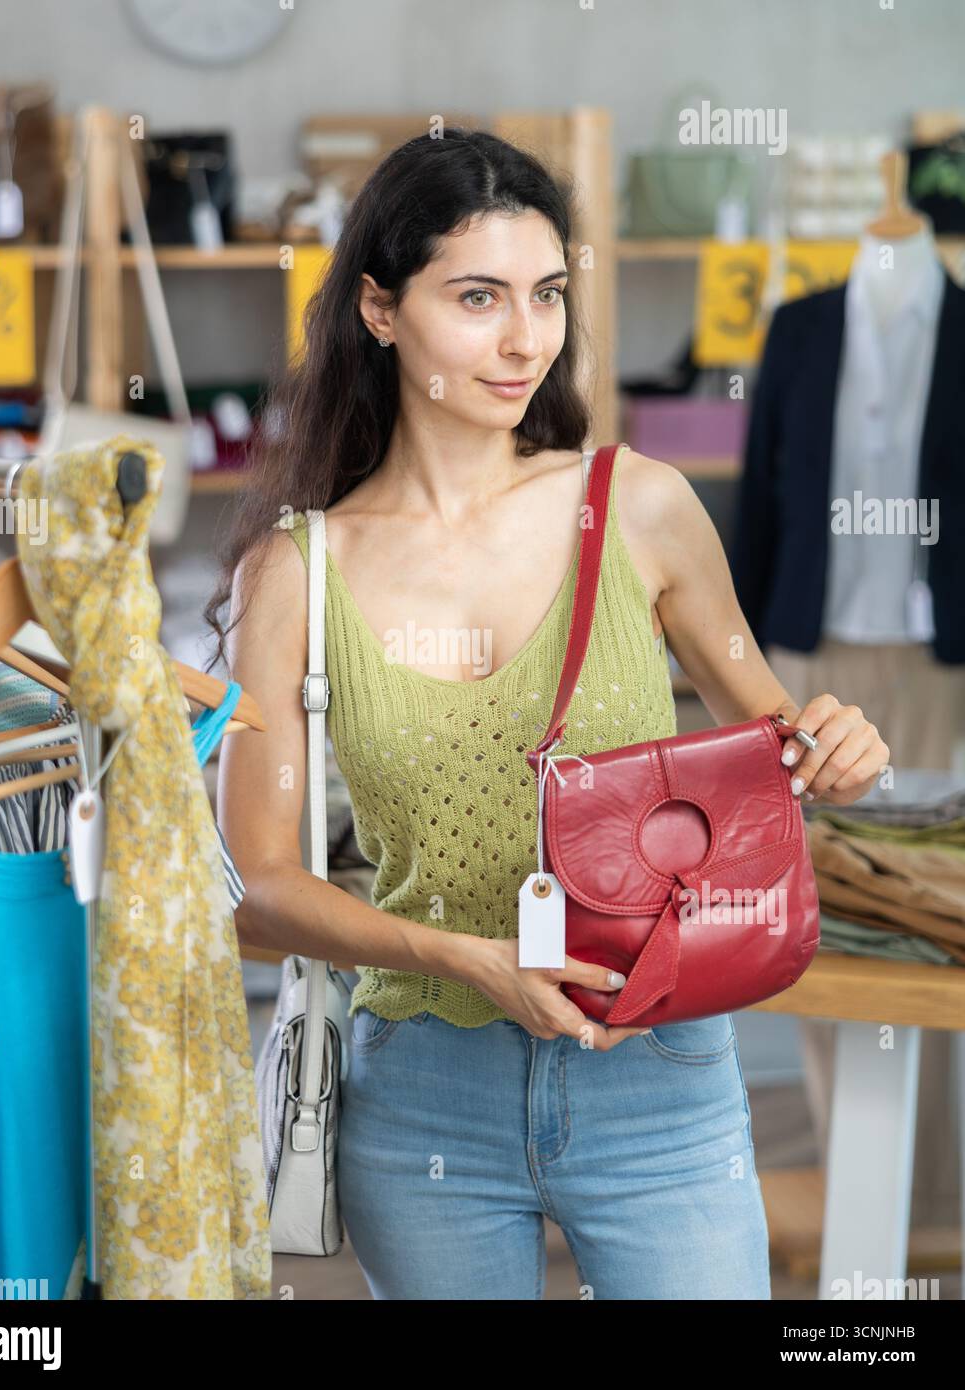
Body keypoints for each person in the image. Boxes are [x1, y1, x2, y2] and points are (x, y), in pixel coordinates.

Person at [206, 128, 889, 1300]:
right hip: (424, 1092)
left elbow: (777, 742)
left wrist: (837, 747)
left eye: (546, 295)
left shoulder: (641, 508)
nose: (525, 338)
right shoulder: (293, 573)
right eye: (477, 297)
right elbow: (261, 880)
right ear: (379, 308)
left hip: (659, 1071)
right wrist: (462, 959)